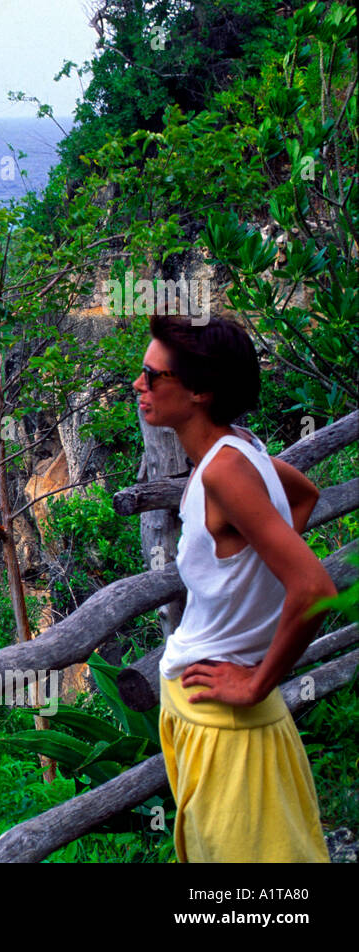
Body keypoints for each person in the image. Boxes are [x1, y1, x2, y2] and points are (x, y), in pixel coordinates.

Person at [134, 314, 335, 863]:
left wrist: (254, 684)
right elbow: (303, 495)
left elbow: (314, 588)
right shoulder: (238, 449)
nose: (139, 386)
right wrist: (256, 574)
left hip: (228, 723)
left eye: (154, 377)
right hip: (201, 714)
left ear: (199, 392)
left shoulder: (226, 471)